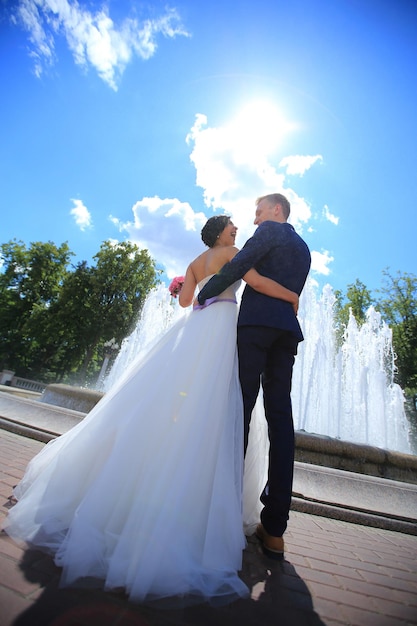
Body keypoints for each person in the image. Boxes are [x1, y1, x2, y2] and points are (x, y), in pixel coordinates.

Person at [3, 215, 298, 606]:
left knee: (181, 396)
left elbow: (185, 301)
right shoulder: (233, 253)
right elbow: (256, 282)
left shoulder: (195, 262)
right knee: (218, 402)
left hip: (197, 327)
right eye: (232, 226)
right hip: (225, 327)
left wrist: (182, 283)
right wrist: (291, 296)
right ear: (221, 233)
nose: (237, 231)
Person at [198, 194, 311, 559]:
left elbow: (238, 266)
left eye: (259, 211)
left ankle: (225, 512)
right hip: (286, 334)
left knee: (240, 410)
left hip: (256, 328)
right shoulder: (305, 249)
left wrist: (204, 295)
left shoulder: (269, 233)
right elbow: (292, 295)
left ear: (277, 210)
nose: (255, 218)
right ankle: (275, 528)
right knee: (280, 420)